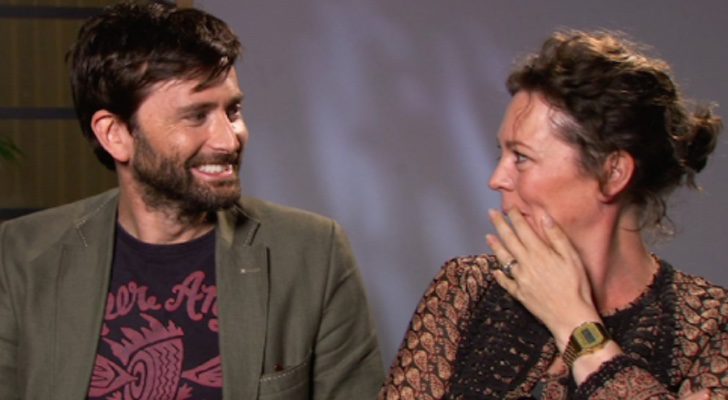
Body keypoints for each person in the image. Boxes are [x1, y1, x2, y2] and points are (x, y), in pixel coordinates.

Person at [0, 1, 383, 399]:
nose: (229, 139)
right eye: (196, 115)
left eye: (232, 111)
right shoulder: (22, 254)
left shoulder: (312, 253)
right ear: (115, 134)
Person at [380, 30, 726, 399]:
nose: (497, 179)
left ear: (612, 173)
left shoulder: (710, 326)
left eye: (521, 157)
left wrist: (574, 322)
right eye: (502, 154)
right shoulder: (465, 288)